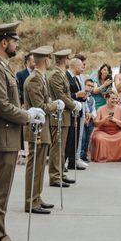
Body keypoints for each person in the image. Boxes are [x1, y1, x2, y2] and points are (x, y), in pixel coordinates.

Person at [0, 21, 46, 241]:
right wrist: (28, 115)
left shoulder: (2, 66)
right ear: (4, 42)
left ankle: (1, 237)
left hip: (5, 136)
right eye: (15, 41)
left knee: (1, 193)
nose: (18, 45)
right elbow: (2, 106)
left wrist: (27, 114)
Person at [23, 46, 62, 215]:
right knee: (36, 166)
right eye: (49, 59)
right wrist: (55, 105)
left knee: (39, 166)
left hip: (42, 127)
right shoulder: (34, 79)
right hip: (36, 128)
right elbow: (39, 106)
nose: (50, 62)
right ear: (45, 61)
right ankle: (31, 201)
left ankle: (36, 197)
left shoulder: (41, 78)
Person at [48, 49, 81, 188]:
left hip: (65, 115)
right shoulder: (56, 75)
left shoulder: (60, 74)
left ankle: (60, 173)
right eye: (68, 58)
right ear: (64, 60)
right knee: (57, 147)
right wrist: (74, 104)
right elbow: (61, 96)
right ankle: (55, 176)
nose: (69, 61)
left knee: (62, 148)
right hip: (59, 115)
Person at [91, 91, 121, 162]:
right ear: (107, 99)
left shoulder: (120, 109)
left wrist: (115, 120)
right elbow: (96, 124)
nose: (115, 100)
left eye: (116, 98)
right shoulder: (101, 109)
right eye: (113, 98)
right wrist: (104, 119)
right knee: (99, 138)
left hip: (117, 131)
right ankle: (103, 157)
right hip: (103, 131)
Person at [66, 58, 87, 171]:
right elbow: (66, 94)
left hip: (78, 111)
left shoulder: (77, 78)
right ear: (74, 66)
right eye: (80, 66)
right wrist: (76, 95)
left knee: (76, 137)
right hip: (70, 111)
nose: (82, 68)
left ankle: (72, 161)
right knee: (70, 138)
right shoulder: (67, 76)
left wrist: (83, 96)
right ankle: (67, 161)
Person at [80, 79, 97, 162]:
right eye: (88, 85)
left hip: (90, 121)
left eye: (92, 86)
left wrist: (92, 115)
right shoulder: (81, 95)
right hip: (83, 119)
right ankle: (79, 155)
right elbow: (84, 106)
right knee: (82, 138)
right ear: (84, 85)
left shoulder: (92, 99)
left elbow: (93, 109)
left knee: (87, 138)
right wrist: (86, 114)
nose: (90, 87)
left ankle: (84, 156)